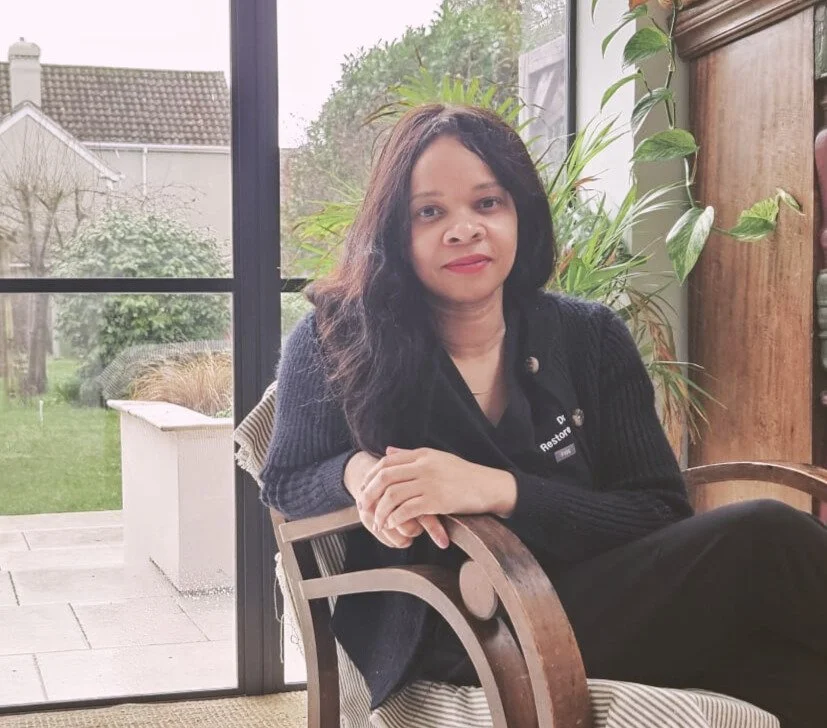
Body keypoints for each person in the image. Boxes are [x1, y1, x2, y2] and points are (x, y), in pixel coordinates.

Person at [262, 104, 827, 727]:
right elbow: (286, 478)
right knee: (765, 533)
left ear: (521, 215)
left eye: (487, 203)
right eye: (429, 212)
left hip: (599, 599)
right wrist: (363, 473)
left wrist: (498, 489)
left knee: (799, 676)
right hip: (456, 621)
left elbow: (656, 510)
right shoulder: (339, 335)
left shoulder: (589, 336)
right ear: (395, 230)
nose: (464, 230)